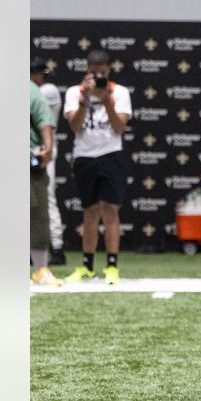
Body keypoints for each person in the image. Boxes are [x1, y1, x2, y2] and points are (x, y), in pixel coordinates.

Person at [62, 49, 132, 285]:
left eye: (102, 73)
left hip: (111, 154)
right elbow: (75, 126)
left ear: (109, 71)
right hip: (84, 156)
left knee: (111, 210)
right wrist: (85, 100)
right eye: (93, 72)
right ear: (86, 70)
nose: (98, 77)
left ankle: (112, 266)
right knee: (90, 211)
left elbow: (119, 128)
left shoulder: (120, 92)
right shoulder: (75, 92)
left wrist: (106, 100)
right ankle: (87, 266)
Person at [31, 56, 66, 266]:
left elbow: (43, 122)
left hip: (44, 149)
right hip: (30, 149)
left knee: (47, 200)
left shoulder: (48, 90)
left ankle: (58, 247)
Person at [29, 77, 61, 287]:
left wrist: (48, 147)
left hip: (27, 159)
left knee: (37, 214)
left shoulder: (30, 90)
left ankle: (40, 268)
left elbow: (44, 119)